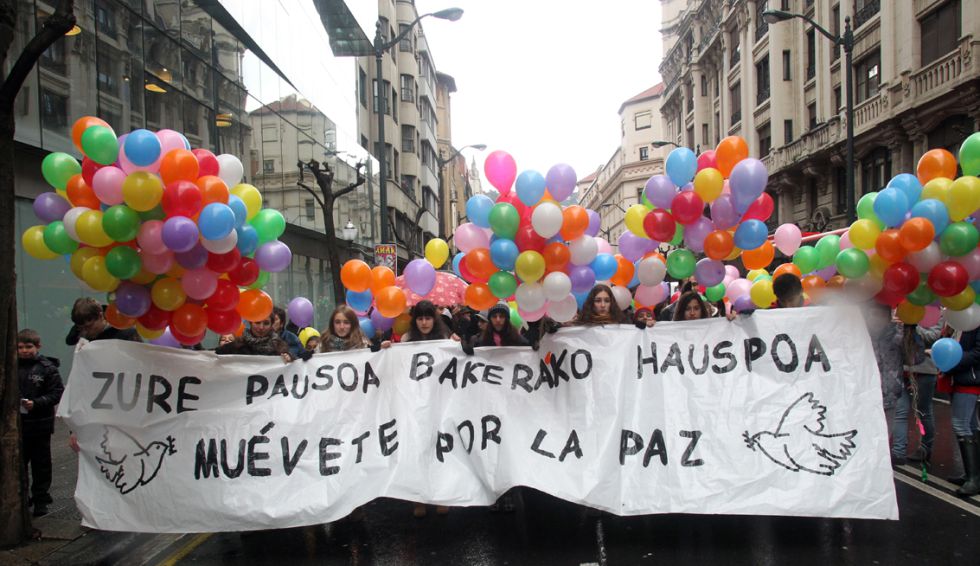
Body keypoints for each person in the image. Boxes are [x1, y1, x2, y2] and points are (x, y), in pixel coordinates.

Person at [17, 329, 64, 517]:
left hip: (40, 425)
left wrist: (36, 403)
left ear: (38, 346)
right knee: (19, 464)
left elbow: (57, 392)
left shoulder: (47, 368)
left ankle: (41, 499)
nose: (24, 351)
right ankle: (21, 497)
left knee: (41, 464)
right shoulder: (11, 366)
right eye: (20, 347)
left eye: (28, 347)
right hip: (18, 426)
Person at [938, 325, 980, 496]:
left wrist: (952, 360)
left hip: (968, 378)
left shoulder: (975, 321)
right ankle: (973, 474)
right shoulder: (959, 323)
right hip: (960, 376)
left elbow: (977, 353)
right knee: (970, 424)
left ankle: (974, 479)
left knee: (961, 424)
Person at [891, 323, 941, 466]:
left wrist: (913, 324)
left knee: (923, 411)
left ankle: (925, 449)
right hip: (902, 367)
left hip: (924, 370)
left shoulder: (934, 312)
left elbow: (933, 337)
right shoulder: (902, 309)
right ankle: (898, 451)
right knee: (900, 410)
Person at [215, 313, 307, 362]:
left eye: (266, 323)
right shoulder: (237, 345)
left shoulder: (280, 346)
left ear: (271, 325)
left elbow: (298, 362)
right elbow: (214, 357)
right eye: (257, 322)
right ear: (251, 323)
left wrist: (290, 357)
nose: (261, 327)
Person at [66, 297, 142, 345]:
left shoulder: (126, 332)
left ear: (100, 316)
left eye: (89, 326)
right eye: (81, 328)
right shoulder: (81, 335)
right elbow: (70, 341)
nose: (86, 332)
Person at [464, 302, 529, 352]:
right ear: (490, 319)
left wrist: (534, 347)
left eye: (501, 316)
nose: (498, 320)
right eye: (494, 316)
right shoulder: (479, 340)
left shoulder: (517, 339)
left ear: (507, 319)